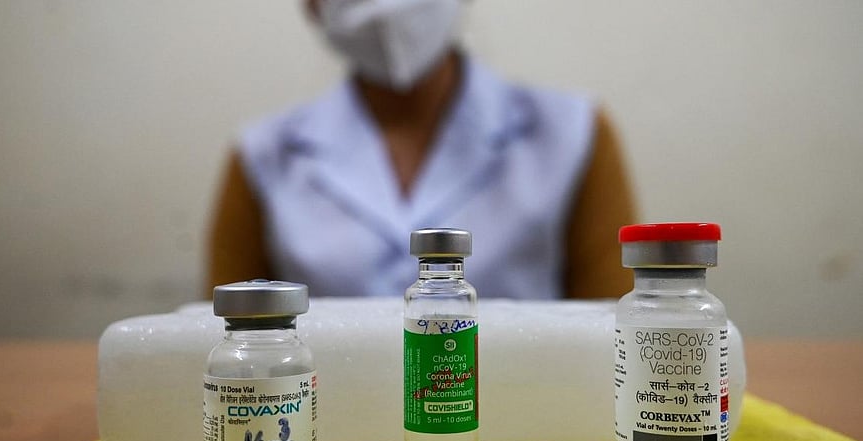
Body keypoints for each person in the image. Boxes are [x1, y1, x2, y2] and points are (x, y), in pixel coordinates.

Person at [206, 0, 637, 299]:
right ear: (310, 6)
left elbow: (609, 342)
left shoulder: (573, 134)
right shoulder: (260, 157)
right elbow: (228, 353)